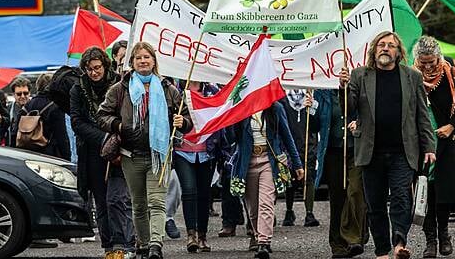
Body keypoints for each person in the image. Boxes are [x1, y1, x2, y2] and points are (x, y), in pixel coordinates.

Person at [339, 31, 436, 259]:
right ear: (374, 50)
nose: (385, 48)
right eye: (381, 45)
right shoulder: (360, 75)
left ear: (398, 52)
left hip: (403, 151)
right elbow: (349, 108)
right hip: (370, 152)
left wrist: (429, 146)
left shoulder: (412, 76)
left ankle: (399, 244)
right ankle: (382, 251)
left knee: (402, 197)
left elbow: (422, 114)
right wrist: (343, 88)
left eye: (390, 45)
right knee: (375, 205)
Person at [98, 41, 193, 259]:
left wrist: (182, 121)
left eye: (147, 57)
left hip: (159, 155)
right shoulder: (120, 89)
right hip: (130, 156)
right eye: (138, 58)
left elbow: (187, 118)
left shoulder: (168, 89)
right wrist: (119, 126)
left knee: (157, 202)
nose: (143, 61)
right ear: (132, 62)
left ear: (154, 61)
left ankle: (155, 246)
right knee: (139, 205)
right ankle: (143, 243)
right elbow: (102, 116)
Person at [70, 47, 134, 259]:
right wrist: (102, 138)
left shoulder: (119, 83)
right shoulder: (78, 89)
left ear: (105, 66)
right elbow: (77, 122)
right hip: (92, 151)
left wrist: (115, 135)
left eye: (97, 68)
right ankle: (109, 246)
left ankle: (125, 243)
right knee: (101, 201)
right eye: (89, 69)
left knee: (118, 199)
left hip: (119, 148)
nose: (93, 73)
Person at [412, 36, 455, 258]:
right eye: (423, 62)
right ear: (417, 59)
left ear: (439, 57)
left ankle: (444, 234)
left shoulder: (451, 74)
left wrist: (452, 126)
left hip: (445, 142)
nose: (428, 66)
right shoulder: (410, 76)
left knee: (443, 192)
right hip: (420, 143)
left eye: (432, 61)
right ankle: (430, 240)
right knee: (426, 192)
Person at [229, 102, 304, 259]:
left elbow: (287, 136)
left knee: (266, 202)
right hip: (246, 162)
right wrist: (232, 113)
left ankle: (264, 242)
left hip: (269, 161)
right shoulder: (242, 105)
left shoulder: (276, 108)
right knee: (252, 207)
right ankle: (258, 236)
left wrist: (297, 163)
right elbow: (231, 137)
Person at [309, 89, 367, 258]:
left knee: (356, 192)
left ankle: (354, 238)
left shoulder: (358, 89)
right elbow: (313, 126)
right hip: (333, 153)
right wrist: (310, 109)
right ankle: (337, 244)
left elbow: (370, 114)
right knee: (337, 197)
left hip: (356, 150)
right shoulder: (321, 94)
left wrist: (359, 122)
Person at [172, 81, 220, 253]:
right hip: (182, 149)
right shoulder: (176, 91)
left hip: (206, 150)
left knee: (204, 194)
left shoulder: (213, 91)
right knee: (189, 190)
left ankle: (202, 236)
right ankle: (191, 235)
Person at [281, 89, 319, 227]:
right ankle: (289, 211)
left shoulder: (312, 95)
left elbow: (317, 124)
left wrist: (312, 107)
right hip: (290, 142)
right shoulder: (284, 98)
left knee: (308, 177)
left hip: (308, 142)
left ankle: (309, 212)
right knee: (289, 179)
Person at [21, 73, 71, 160]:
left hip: (27, 154)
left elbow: (15, 131)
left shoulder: (26, 106)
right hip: (49, 156)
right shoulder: (55, 107)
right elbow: (61, 137)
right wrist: (67, 158)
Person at [6, 76, 31, 147]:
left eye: (25, 93)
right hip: (13, 149)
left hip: (33, 150)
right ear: (14, 95)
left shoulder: (36, 107)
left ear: (30, 93)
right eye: (19, 94)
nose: (22, 96)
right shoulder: (8, 109)